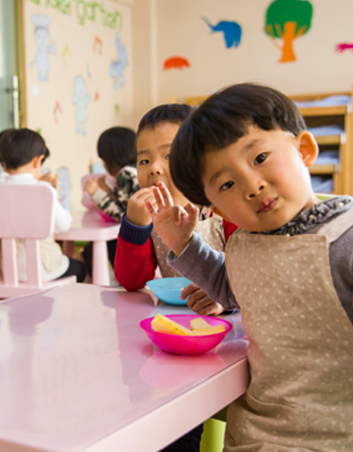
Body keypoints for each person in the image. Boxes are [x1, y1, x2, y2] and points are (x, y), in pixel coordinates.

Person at [148, 83, 353, 451]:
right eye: (227, 183)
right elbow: (231, 286)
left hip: (336, 435)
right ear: (218, 209)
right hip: (255, 433)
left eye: (259, 158)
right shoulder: (244, 243)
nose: (252, 186)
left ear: (304, 150)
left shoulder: (344, 238)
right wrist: (183, 242)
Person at [114, 104, 237, 316]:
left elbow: (254, 277)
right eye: (144, 160)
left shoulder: (225, 211)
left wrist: (225, 300)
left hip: (231, 324)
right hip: (173, 318)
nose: (153, 168)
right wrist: (135, 227)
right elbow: (132, 282)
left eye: (169, 156)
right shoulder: (151, 218)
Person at [0, 128, 86, 283]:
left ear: (4, 164)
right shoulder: (43, 190)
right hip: (43, 269)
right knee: (80, 268)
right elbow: (63, 225)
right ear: (38, 161)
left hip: (9, 270)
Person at [83, 126, 139, 222]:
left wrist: (96, 193)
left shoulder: (126, 174)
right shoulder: (136, 170)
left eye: (104, 160)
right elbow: (126, 204)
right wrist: (109, 193)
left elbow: (124, 216)